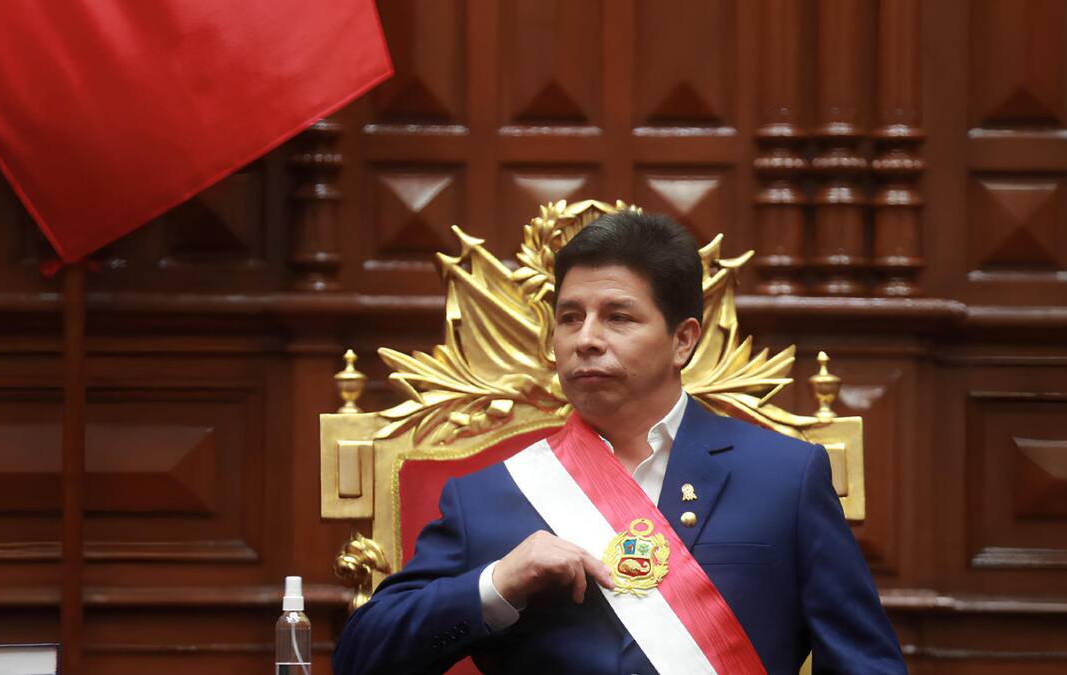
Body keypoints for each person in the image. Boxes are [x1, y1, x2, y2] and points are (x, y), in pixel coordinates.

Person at [333, 211, 907, 675]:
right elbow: (363, 656)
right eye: (569, 318)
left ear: (683, 341)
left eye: (618, 318)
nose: (586, 340)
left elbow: (865, 663)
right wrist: (498, 583)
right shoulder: (486, 496)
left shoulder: (784, 477)